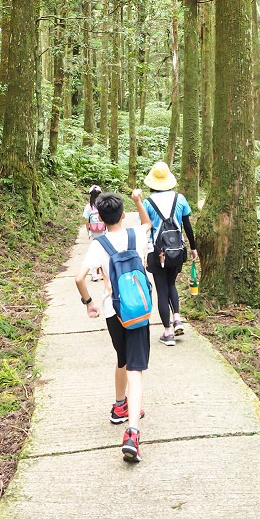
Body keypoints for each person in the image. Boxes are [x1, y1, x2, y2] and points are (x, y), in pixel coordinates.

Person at [75, 190, 152, 463]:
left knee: (122, 358)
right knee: (136, 369)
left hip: (112, 311)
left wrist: (89, 303)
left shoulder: (99, 244)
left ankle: (120, 405)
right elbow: (148, 224)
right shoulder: (136, 236)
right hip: (138, 310)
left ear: (101, 218)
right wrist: (139, 202)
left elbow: (79, 278)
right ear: (122, 215)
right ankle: (132, 432)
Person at [142, 161, 197, 347]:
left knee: (161, 289)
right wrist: (193, 248)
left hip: (156, 253)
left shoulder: (147, 203)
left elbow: (145, 229)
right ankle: (177, 318)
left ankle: (168, 332)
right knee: (171, 284)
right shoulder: (180, 199)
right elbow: (187, 225)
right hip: (177, 251)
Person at [82, 184, 105, 281]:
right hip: (103, 232)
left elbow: (87, 222)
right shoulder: (102, 205)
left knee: (93, 253)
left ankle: (94, 275)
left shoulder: (88, 207)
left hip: (93, 232)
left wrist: (88, 232)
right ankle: (104, 274)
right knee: (103, 252)